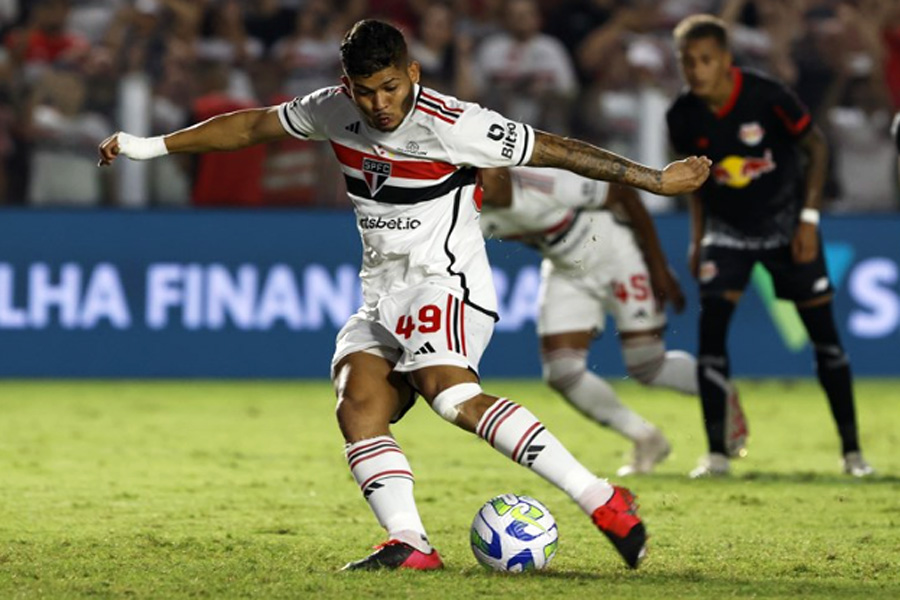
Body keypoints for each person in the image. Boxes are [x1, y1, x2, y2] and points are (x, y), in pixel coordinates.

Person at [99, 19, 711, 571]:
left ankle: (602, 499)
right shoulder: (333, 109)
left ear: (411, 73)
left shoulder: (457, 124)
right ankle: (410, 541)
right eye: (365, 91)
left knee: (451, 399)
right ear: (348, 84)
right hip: (383, 293)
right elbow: (252, 125)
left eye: (390, 87)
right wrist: (148, 146)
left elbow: (557, 148)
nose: (378, 103)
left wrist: (653, 178)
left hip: (447, 284)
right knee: (357, 400)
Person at [665, 14, 874, 478]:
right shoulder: (681, 115)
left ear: (725, 60)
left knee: (826, 341)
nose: (695, 70)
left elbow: (816, 147)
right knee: (712, 337)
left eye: (704, 60)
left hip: (786, 229)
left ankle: (853, 453)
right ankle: (717, 454)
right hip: (728, 234)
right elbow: (696, 183)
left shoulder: (767, 95)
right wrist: (698, 239)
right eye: (687, 62)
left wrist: (808, 219)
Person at [479, 166, 700, 476]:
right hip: (566, 269)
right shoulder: (466, 206)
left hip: (617, 254)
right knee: (562, 371)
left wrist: (658, 266)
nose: (480, 181)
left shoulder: (539, 181)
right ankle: (646, 437)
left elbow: (624, 193)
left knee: (647, 365)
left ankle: (717, 391)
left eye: (483, 172)